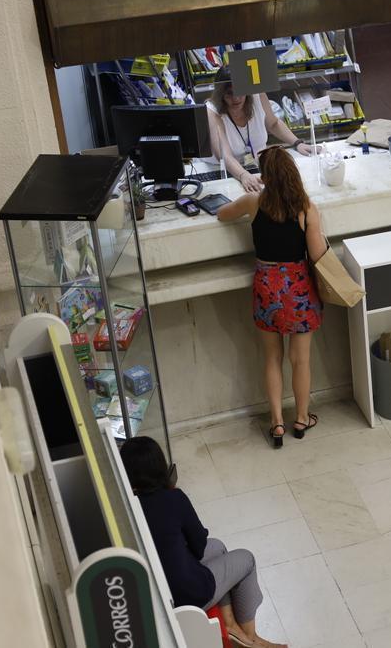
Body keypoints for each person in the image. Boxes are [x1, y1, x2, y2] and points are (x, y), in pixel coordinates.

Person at [120, 437, 288, 648]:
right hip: (187, 596)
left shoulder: (126, 509)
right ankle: (251, 639)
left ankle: (230, 626)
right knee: (247, 559)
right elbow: (199, 546)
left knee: (217, 546)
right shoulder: (173, 498)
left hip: (156, 595)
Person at [218, 147, 327, 446]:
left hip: (266, 285)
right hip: (299, 288)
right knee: (300, 359)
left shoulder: (254, 202)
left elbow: (222, 214)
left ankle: (277, 422)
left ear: (265, 177)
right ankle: (302, 419)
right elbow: (317, 254)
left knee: (272, 357)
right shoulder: (306, 207)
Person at [206, 66, 319, 194]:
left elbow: (273, 124)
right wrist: (243, 175)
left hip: (254, 167)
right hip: (219, 172)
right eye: (229, 94)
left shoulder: (257, 96)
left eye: (239, 91)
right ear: (221, 95)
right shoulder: (212, 110)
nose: (236, 98)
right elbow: (224, 155)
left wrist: (297, 143)